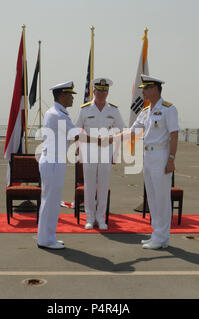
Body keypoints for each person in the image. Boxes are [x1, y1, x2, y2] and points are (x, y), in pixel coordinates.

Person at [108, 74, 179, 249]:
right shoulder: (146, 111)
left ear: (155, 89)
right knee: (152, 198)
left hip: (161, 156)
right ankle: (156, 234)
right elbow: (132, 131)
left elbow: (174, 134)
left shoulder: (169, 109)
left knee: (162, 198)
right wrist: (112, 138)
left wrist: (171, 159)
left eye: (146, 88)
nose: (143, 92)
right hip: (147, 156)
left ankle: (162, 237)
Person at [37, 81, 102, 249]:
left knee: (51, 201)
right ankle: (46, 239)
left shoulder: (57, 112)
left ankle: (47, 237)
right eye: (70, 95)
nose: (73, 98)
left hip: (54, 161)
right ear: (62, 96)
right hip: (52, 162)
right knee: (50, 202)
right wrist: (101, 140)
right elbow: (77, 135)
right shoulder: (57, 115)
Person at [75, 78, 125, 230]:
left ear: (107, 92)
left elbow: (121, 130)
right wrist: (78, 150)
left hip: (106, 150)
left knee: (103, 186)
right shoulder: (84, 109)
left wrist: (115, 154)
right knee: (89, 186)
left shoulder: (114, 110)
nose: (102, 94)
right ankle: (89, 218)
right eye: (99, 91)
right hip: (88, 149)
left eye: (105, 91)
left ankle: (101, 218)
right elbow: (77, 130)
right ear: (94, 91)